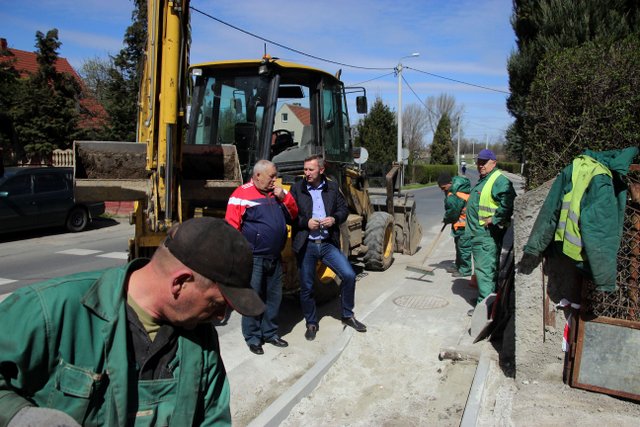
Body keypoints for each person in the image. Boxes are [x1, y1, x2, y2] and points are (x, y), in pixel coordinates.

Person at [0, 217, 264, 426]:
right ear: (180, 283)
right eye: (217, 304)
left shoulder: (201, 338)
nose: (220, 317)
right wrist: (18, 416)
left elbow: (213, 419)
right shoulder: (51, 309)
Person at [225, 159, 298, 355]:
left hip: (275, 255)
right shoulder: (241, 194)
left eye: (276, 176)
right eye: (271, 176)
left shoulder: (277, 193)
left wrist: (283, 196)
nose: (275, 180)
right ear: (258, 175)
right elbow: (231, 227)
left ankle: (270, 333)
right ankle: (253, 337)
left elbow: (294, 212)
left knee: (274, 297)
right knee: (253, 298)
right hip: (254, 258)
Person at [290, 154, 366, 341]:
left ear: (321, 170)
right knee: (307, 287)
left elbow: (344, 210)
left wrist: (334, 219)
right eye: (305, 169)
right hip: (307, 244)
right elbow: (289, 215)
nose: (306, 173)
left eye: (310, 169)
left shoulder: (332, 187)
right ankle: (311, 322)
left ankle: (347, 315)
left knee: (348, 275)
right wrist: (306, 223)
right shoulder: (297, 188)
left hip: (327, 244)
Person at [465, 149, 516, 315]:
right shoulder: (485, 179)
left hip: (485, 235)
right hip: (481, 234)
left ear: (494, 162)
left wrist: (494, 219)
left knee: (484, 272)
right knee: (488, 271)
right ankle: (489, 302)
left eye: (484, 162)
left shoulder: (498, 180)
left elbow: (508, 200)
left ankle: (484, 309)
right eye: (479, 162)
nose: (481, 165)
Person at [437, 171, 472, 278]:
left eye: (443, 188)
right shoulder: (457, 190)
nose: (443, 190)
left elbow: (453, 212)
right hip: (460, 224)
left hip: (465, 225)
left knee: (464, 248)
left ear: (450, 183)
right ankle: (458, 265)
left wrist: (446, 219)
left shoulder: (454, 195)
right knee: (459, 247)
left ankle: (465, 269)